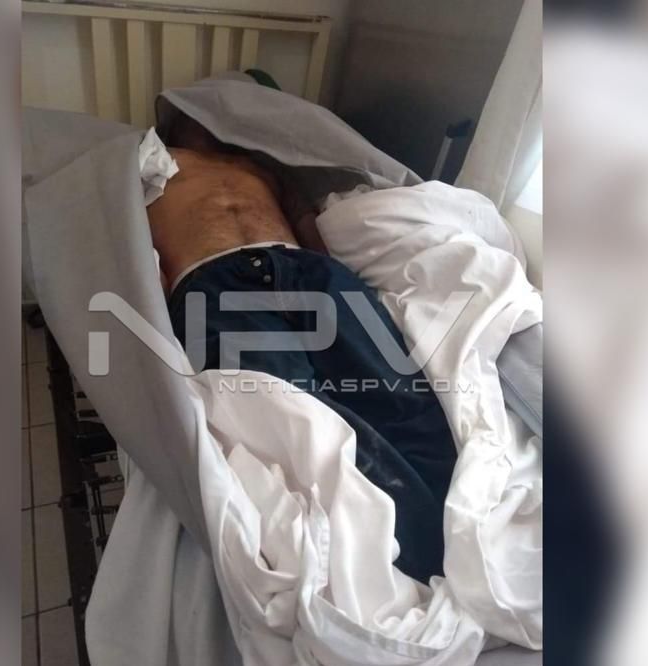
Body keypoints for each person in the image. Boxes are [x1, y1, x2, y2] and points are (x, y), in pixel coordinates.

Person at [147, 113, 457, 583]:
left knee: (395, 388)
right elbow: (127, 234)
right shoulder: (155, 162)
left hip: (306, 270)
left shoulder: (260, 165)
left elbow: (303, 218)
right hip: (212, 280)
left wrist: (333, 277)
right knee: (289, 408)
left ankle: (456, 527)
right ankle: (401, 551)